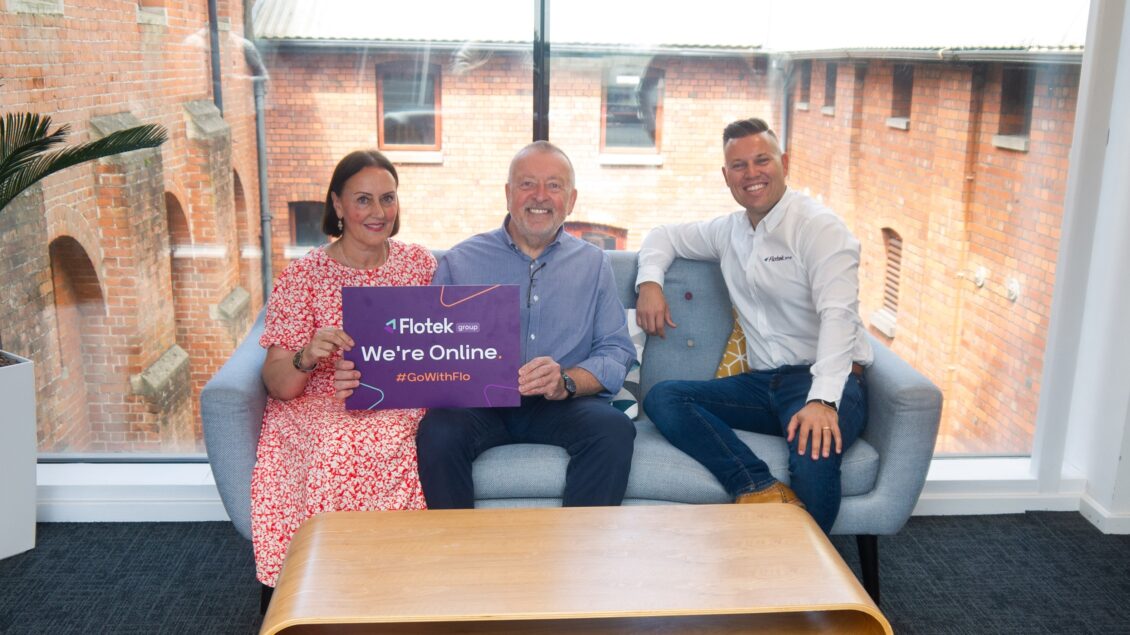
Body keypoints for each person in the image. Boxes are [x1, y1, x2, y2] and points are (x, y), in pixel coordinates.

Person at [338, 141, 637, 508]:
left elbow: (616, 350)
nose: (540, 196)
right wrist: (368, 371)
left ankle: (580, 542)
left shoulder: (594, 264)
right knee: (438, 432)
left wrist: (566, 381)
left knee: (613, 431)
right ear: (508, 194)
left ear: (571, 200)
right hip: (478, 407)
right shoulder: (460, 261)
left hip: (558, 404)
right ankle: (459, 543)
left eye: (554, 186)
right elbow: (422, 347)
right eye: (527, 184)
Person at [635, 117, 872, 533]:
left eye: (762, 160)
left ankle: (801, 572)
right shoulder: (728, 232)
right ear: (726, 175)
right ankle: (757, 486)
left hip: (822, 381)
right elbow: (662, 235)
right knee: (665, 397)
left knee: (813, 453)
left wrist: (822, 401)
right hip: (762, 386)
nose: (751, 173)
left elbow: (839, 316)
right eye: (739, 165)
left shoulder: (819, 227)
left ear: (784, 163)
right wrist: (650, 283)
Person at [250, 150, 435, 587]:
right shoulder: (303, 277)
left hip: (398, 397)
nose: (378, 212)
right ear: (337, 204)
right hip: (322, 402)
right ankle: (325, 585)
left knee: (394, 434)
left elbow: (438, 344)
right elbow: (278, 384)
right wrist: (308, 356)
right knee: (336, 442)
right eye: (363, 199)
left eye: (387, 198)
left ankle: (397, 582)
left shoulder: (420, 265)